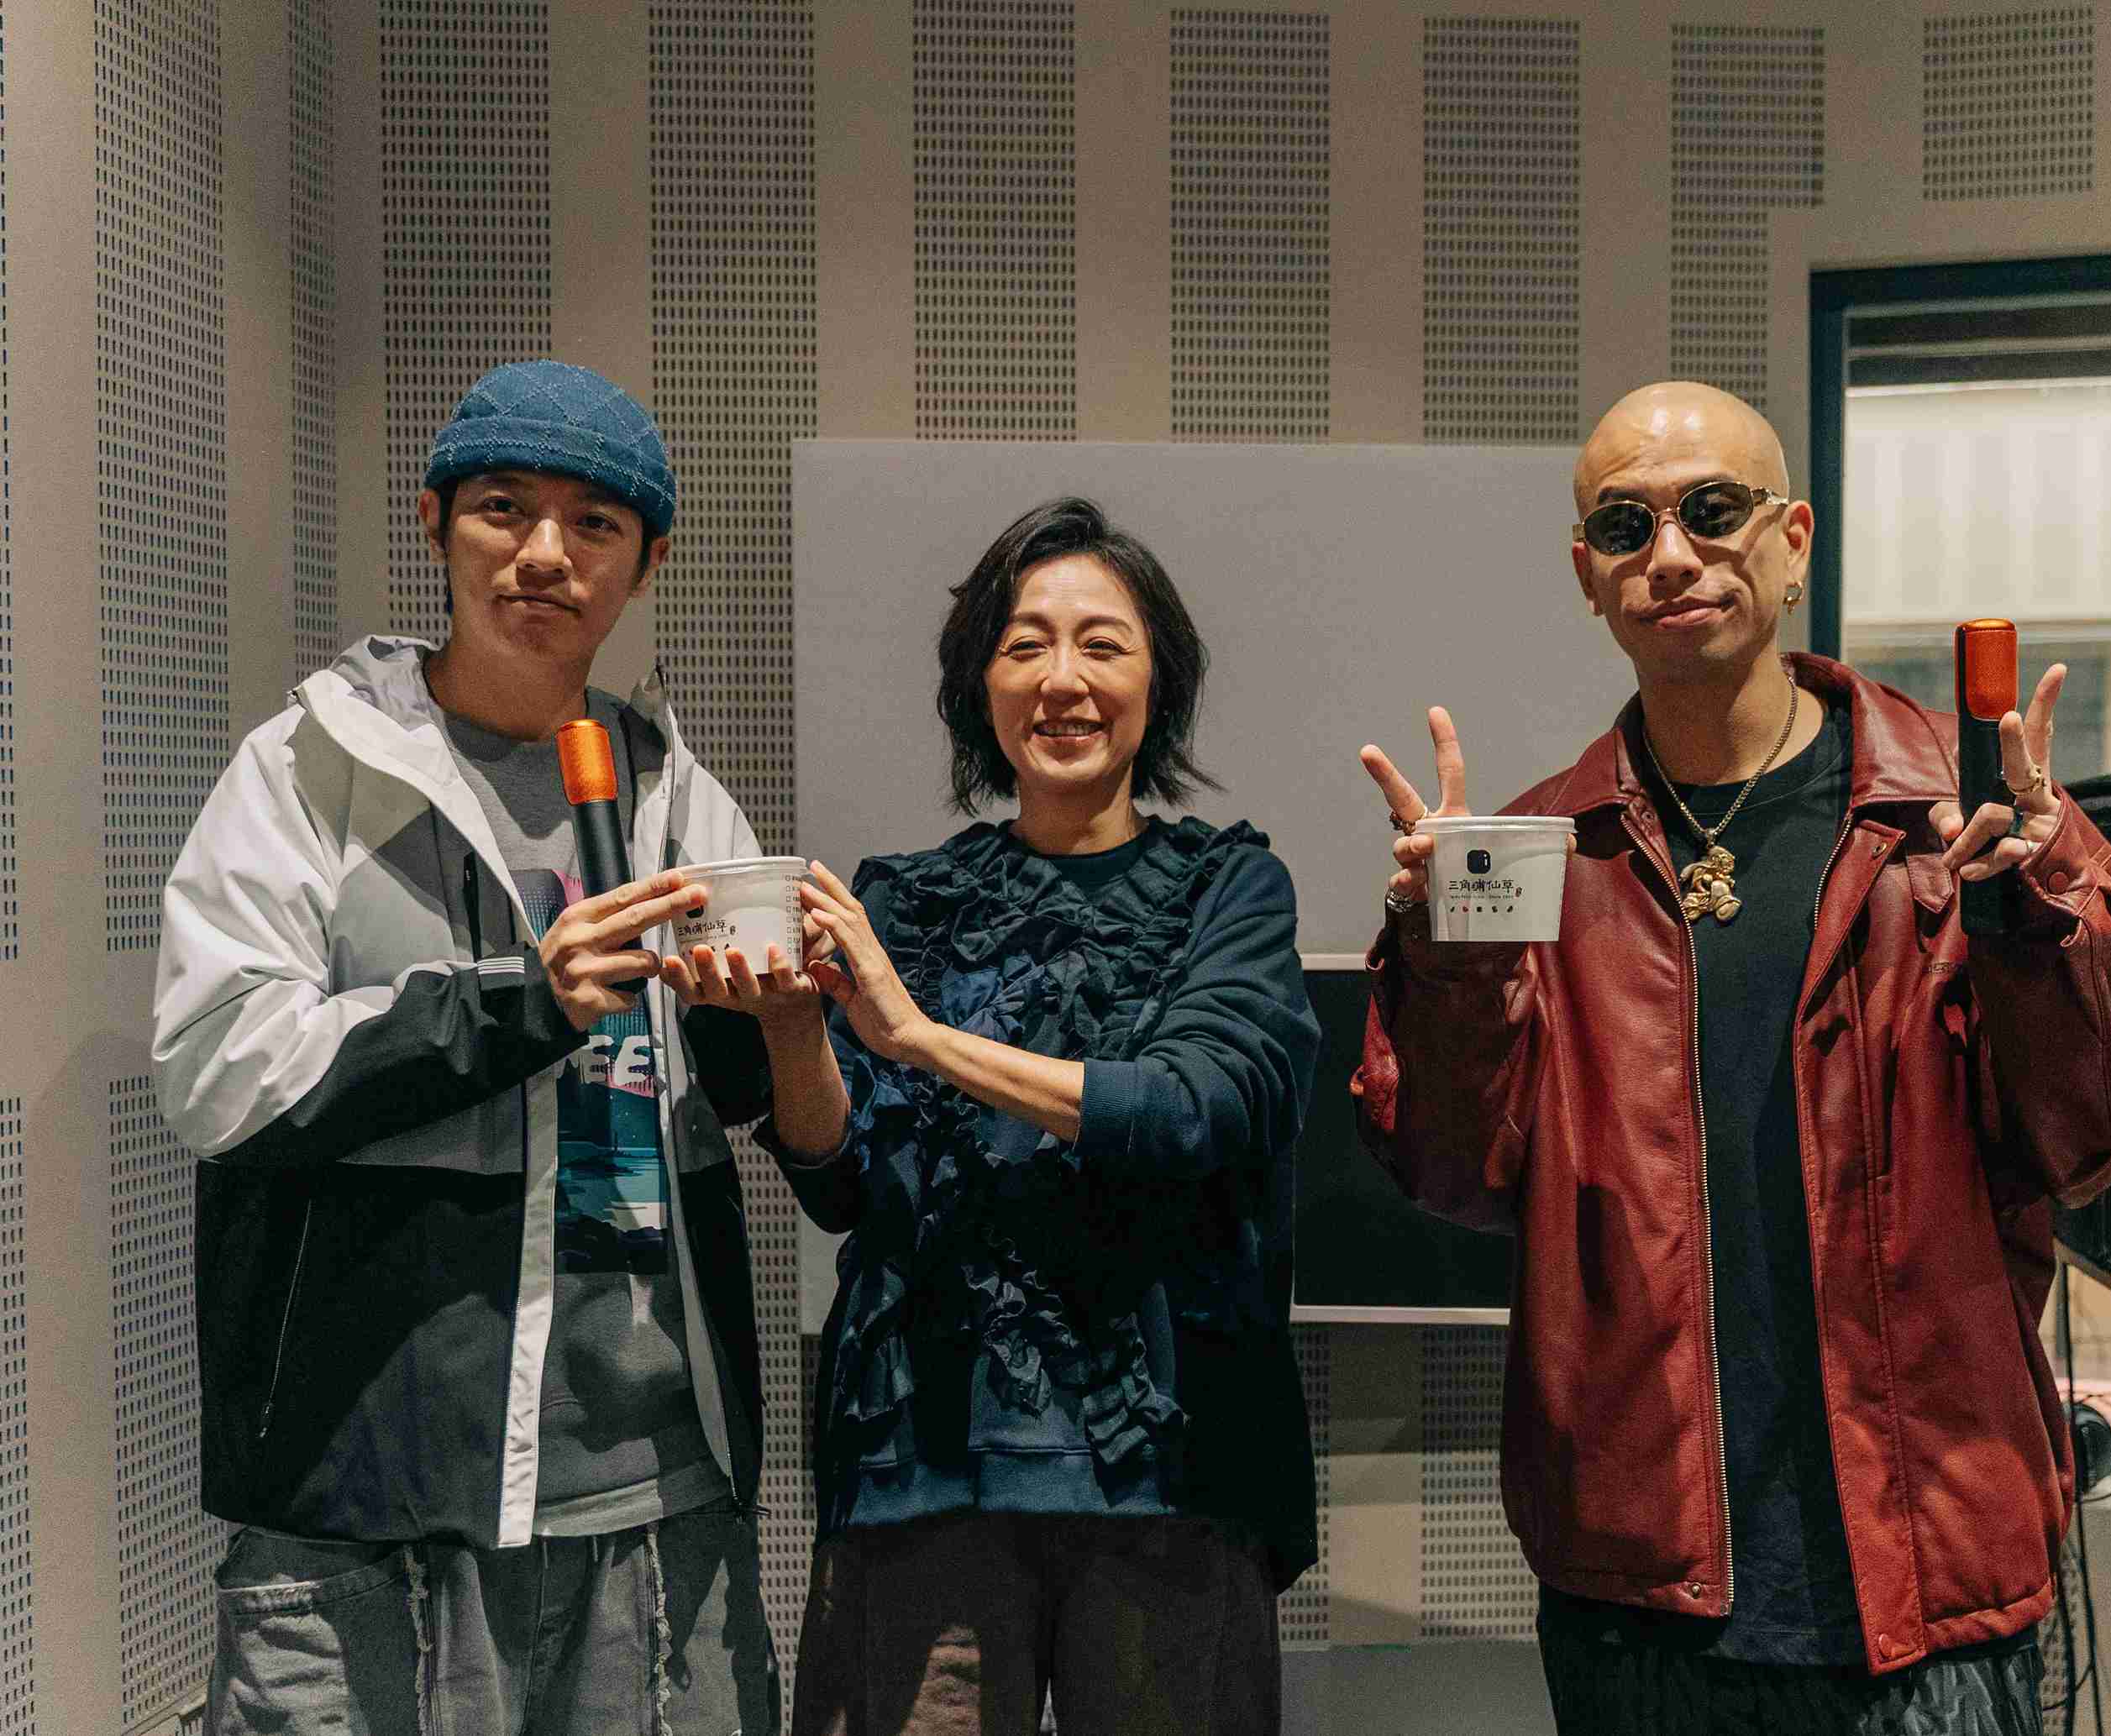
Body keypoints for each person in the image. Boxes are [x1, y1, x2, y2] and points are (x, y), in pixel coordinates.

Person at [1353, 381, 2111, 1736]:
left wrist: (2042, 921)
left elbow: (2104, 1134)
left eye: (1713, 510)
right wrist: (1447, 954)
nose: (1670, 553)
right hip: (1639, 1582)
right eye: (1625, 525)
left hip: (1924, 1570)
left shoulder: (1961, 824)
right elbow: (1455, 1173)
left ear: (1792, 542)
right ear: (1588, 576)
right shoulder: (1541, 854)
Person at [153, 361, 780, 1734]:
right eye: (505, 508)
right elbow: (216, 1070)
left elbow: (720, 1107)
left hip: (653, 1493)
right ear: (437, 523)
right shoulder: (310, 768)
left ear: (648, 563)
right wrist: (515, 1005)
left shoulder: (679, 797)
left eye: (595, 525)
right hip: (373, 1496)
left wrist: (781, 1020)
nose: (546, 553)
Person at [663, 497, 1320, 1734]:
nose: (1062, 680)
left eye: (1102, 644)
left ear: (1161, 682)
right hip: (927, 1458)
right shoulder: (904, 899)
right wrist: (798, 1028)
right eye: (1024, 646)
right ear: (981, 686)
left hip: (1171, 1473)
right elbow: (844, 1184)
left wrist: (915, 1036)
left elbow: (1194, 1108)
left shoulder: (1228, 887)